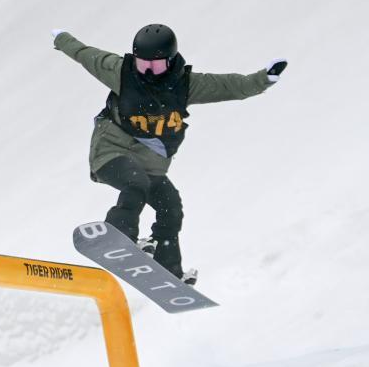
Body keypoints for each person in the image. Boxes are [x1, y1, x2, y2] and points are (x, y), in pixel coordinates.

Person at [53, 24, 287, 284]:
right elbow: (85, 54)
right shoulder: (121, 73)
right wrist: (62, 38)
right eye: (143, 66)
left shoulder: (185, 85)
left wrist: (262, 79)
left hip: (149, 164)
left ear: (171, 61)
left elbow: (228, 85)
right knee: (135, 183)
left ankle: (168, 268)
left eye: (157, 67)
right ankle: (120, 234)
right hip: (110, 153)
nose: (149, 73)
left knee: (171, 205)